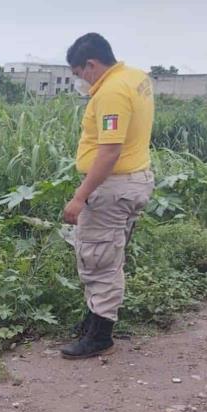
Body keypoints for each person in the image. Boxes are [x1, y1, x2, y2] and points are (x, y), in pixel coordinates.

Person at [60, 33, 155, 360]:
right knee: (109, 254)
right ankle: (94, 319)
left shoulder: (112, 92)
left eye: (79, 73)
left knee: (98, 259)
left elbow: (109, 151)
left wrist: (80, 196)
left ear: (92, 64)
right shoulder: (135, 77)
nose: (80, 81)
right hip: (135, 179)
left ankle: (100, 336)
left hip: (111, 187)